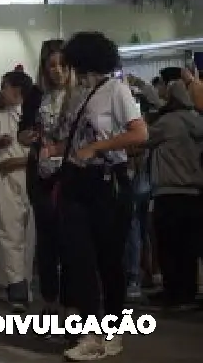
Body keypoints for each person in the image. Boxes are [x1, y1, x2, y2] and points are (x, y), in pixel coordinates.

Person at [40, 32, 148, 360]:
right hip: (77, 181)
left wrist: (96, 147)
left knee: (108, 260)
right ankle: (89, 333)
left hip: (107, 182)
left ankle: (112, 330)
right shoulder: (78, 94)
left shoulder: (116, 90)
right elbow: (74, 140)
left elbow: (140, 132)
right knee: (79, 258)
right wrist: (53, 150)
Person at [17, 39, 73, 317]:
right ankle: (49, 300)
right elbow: (23, 131)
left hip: (71, 175)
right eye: (52, 65)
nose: (58, 71)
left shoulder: (80, 94)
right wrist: (26, 136)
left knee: (72, 240)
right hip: (40, 175)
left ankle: (71, 302)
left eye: (63, 65)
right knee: (47, 240)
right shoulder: (36, 95)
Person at [144, 80, 203, 309]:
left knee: (168, 247)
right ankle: (188, 293)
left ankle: (174, 293)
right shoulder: (197, 121)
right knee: (188, 249)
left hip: (169, 194)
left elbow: (142, 138)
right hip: (194, 194)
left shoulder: (168, 123)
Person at [0, 70, 35, 312]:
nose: (0, 92)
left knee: (30, 235)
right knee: (8, 232)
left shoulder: (34, 116)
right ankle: (16, 285)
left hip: (34, 179)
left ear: (17, 91)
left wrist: (23, 161)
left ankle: (26, 282)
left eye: (4, 87)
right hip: (5, 182)